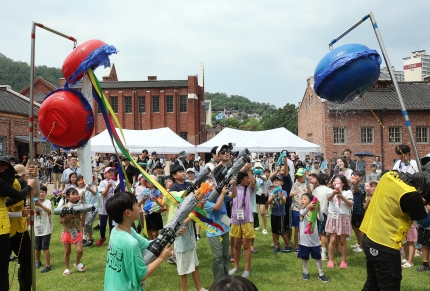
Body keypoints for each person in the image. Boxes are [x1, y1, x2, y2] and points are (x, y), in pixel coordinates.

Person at [360, 170, 430, 290]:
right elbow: (425, 222)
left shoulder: (389, 175)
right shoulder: (412, 196)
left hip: (369, 236)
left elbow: (403, 201)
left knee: (372, 284)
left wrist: (422, 200)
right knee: (389, 286)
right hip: (386, 245)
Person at [104, 191, 170, 291]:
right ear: (127, 212)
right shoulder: (130, 242)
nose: (139, 207)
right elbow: (141, 275)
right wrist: (161, 257)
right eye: (136, 204)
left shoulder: (117, 230)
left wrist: (170, 235)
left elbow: (147, 244)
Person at [204, 181, 237, 282]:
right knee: (218, 258)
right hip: (213, 231)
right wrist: (222, 194)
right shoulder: (205, 200)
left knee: (225, 256)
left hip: (225, 228)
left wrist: (234, 185)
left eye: (212, 182)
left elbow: (233, 195)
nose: (212, 183)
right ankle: (219, 282)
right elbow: (217, 207)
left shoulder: (219, 195)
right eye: (208, 182)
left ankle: (226, 278)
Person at [229, 164, 255, 278]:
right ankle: (236, 266)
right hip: (235, 220)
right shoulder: (233, 187)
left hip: (247, 220)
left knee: (246, 245)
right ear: (241, 179)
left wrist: (248, 170)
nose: (249, 180)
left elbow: (253, 183)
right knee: (236, 244)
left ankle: (247, 269)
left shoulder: (249, 189)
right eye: (246, 178)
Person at [298, 193, 329, 282]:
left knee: (318, 257)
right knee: (304, 257)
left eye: (305, 199)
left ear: (311, 201)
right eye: (302, 199)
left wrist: (319, 210)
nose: (302, 200)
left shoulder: (314, 212)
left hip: (315, 240)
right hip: (304, 241)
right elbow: (302, 213)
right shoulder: (301, 211)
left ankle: (321, 273)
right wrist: (308, 207)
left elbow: (322, 219)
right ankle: (305, 272)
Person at [325, 175, 353, 269]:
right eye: (334, 182)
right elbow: (328, 199)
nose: (335, 184)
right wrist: (334, 193)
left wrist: (342, 197)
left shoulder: (348, 192)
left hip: (343, 216)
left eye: (338, 182)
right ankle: (330, 260)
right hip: (333, 216)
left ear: (343, 183)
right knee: (332, 239)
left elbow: (350, 204)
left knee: (342, 240)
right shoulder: (330, 190)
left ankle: (343, 261)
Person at [60, 188, 86, 276]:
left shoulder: (80, 205)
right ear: (67, 197)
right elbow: (60, 221)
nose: (75, 196)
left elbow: (82, 219)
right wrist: (68, 217)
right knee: (67, 251)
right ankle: (67, 268)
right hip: (67, 231)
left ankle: (77, 263)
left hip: (77, 230)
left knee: (80, 250)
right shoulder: (64, 207)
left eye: (76, 194)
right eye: (73, 194)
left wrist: (83, 215)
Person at [289, 168, 313, 252]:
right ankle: (296, 246)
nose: (299, 178)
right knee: (297, 228)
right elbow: (290, 195)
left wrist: (307, 184)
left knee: (307, 227)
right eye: (297, 176)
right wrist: (293, 194)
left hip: (307, 209)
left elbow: (310, 194)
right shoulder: (295, 184)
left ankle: (306, 244)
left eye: (300, 176)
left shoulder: (309, 184)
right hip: (296, 208)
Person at [268, 175, 292, 253]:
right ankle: (276, 246)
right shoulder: (271, 192)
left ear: (281, 183)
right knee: (274, 231)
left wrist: (281, 197)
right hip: (273, 213)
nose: (276, 181)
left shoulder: (283, 192)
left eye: (278, 180)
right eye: (274, 180)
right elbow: (268, 202)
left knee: (282, 231)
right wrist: (272, 197)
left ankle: (288, 245)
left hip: (281, 214)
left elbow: (284, 202)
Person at [97, 167, 118, 246]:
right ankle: (102, 237)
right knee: (102, 225)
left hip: (113, 208)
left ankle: (111, 241)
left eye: (112, 171)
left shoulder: (115, 183)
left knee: (112, 225)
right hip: (104, 208)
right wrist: (108, 187)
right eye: (109, 172)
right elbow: (104, 194)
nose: (111, 173)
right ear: (105, 174)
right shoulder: (102, 183)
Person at [312, 173, 331, 260]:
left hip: (315, 212)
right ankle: (323, 254)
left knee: (319, 233)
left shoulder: (315, 190)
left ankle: (320, 251)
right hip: (324, 212)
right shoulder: (329, 190)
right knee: (323, 233)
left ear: (318, 181)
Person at [34, 185, 53, 273]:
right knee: (37, 248)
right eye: (39, 192)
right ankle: (38, 262)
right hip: (37, 229)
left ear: (45, 193)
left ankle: (48, 265)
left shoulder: (48, 202)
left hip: (46, 229)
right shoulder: (33, 203)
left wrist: (40, 205)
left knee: (45, 248)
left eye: (43, 192)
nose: (41, 194)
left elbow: (48, 211)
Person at [350, 171, 366, 253]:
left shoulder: (363, 185)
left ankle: (362, 245)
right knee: (354, 226)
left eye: (356, 175)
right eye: (353, 175)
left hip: (360, 209)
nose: (354, 177)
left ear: (361, 177)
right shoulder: (354, 185)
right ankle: (359, 242)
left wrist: (355, 184)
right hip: (354, 209)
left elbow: (360, 191)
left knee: (360, 228)